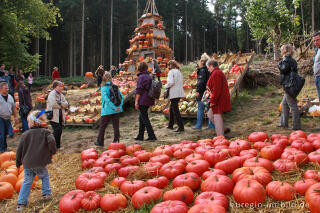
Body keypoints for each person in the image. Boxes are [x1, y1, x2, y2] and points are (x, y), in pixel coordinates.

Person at [16, 110, 56, 211]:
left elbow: (19, 150)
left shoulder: (25, 134)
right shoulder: (46, 132)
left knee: (27, 181)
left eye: (28, 122)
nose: (28, 124)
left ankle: (21, 203)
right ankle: (46, 194)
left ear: (33, 123)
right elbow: (52, 141)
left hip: (28, 164)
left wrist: (18, 163)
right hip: (40, 162)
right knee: (45, 176)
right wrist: (52, 151)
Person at [94, 72, 123, 147]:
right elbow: (121, 97)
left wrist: (113, 107)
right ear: (111, 78)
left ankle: (100, 142)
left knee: (102, 126)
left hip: (107, 110)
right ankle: (116, 141)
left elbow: (106, 100)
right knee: (116, 126)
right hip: (116, 110)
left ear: (103, 79)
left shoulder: (103, 88)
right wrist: (119, 106)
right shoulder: (115, 86)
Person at [278, 44, 301, 130]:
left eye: (281, 50)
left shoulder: (285, 60)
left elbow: (284, 70)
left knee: (292, 105)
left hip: (288, 85)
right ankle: (283, 123)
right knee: (284, 104)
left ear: (284, 51)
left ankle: (296, 125)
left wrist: (279, 64)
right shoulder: (292, 60)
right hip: (292, 84)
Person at [206, 59, 231, 136]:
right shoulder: (216, 72)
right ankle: (224, 129)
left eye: (208, 67)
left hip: (218, 99)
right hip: (218, 98)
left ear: (211, 66)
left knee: (217, 116)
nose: (208, 69)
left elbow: (216, 89)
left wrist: (213, 101)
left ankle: (220, 136)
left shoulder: (216, 73)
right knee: (210, 115)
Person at [192, 53, 215, 130]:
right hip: (209, 91)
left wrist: (198, 91)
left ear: (202, 62)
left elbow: (201, 82)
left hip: (203, 92)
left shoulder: (202, 71)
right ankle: (211, 125)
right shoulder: (210, 70)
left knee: (200, 109)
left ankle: (198, 126)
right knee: (209, 108)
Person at [135, 62, 157, 141]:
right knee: (142, 117)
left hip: (143, 100)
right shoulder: (149, 76)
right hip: (149, 98)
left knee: (144, 118)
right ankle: (140, 136)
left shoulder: (141, 77)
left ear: (139, 68)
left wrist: (136, 101)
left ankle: (152, 136)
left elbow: (139, 90)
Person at [46, 80, 68, 149]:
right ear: (56, 87)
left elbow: (66, 104)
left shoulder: (61, 95)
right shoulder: (52, 94)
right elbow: (53, 104)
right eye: (60, 86)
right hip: (53, 116)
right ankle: (50, 145)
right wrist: (61, 105)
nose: (62, 88)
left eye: (62, 86)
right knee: (57, 131)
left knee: (59, 131)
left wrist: (60, 103)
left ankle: (57, 146)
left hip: (60, 116)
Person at [165, 60, 185, 132]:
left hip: (174, 92)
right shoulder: (178, 72)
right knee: (172, 108)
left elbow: (171, 82)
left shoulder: (171, 72)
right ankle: (170, 125)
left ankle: (181, 127)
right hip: (179, 92)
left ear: (170, 65)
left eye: (168, 65)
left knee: (175, 109)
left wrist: (165, 86)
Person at [0, 82, 19, 152]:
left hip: (8, 118)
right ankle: (1, 149)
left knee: (5, 134)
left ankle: (4, 147)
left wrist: (16, 117)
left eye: (8, 88)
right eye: (5, 88)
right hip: (0, 117)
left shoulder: (10, 97)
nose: (7, 89)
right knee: (1, 134)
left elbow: (14, 107)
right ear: (0, 89)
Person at [313, 32, 320, 101]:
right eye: (314, 41)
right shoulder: (317, 50)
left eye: (318, 40)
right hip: (317, 77)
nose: (316, 42)